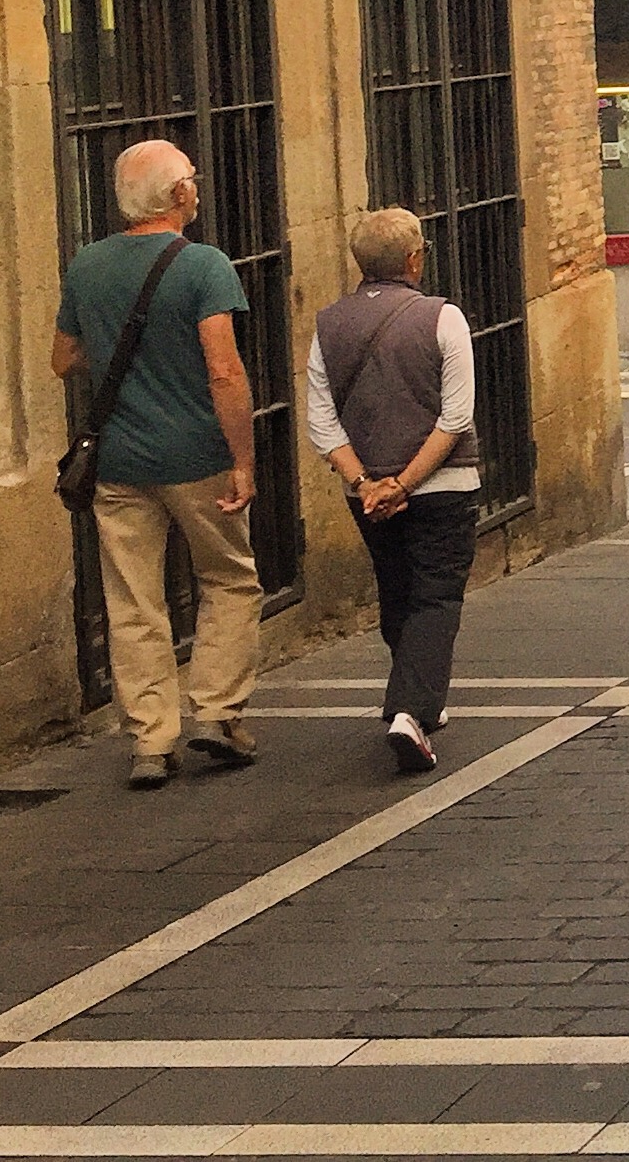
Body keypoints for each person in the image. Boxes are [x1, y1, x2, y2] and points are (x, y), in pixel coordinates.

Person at [52, 139, 262, 789]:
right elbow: (224, 371)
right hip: (198, 455)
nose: (196, 187)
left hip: (119, 462)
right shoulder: (204, 266)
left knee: (133, 600)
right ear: (177, 195)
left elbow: (64, 359)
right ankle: (216, 712)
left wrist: (121, 352)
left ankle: (151, 738)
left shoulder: (88, 266)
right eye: (191, 179)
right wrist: (244, 460)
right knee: (229, 579)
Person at [303, 207, 480, 775]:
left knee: (397, 590)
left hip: (367, 492)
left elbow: (322, 422)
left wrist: (365, 483)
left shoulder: (328, 325)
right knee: (437, 595)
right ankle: (411, 711)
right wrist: (406, 483)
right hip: (442, 485)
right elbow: (456, 418)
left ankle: (418, 695)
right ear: (414, 259)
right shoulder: (443, 318)